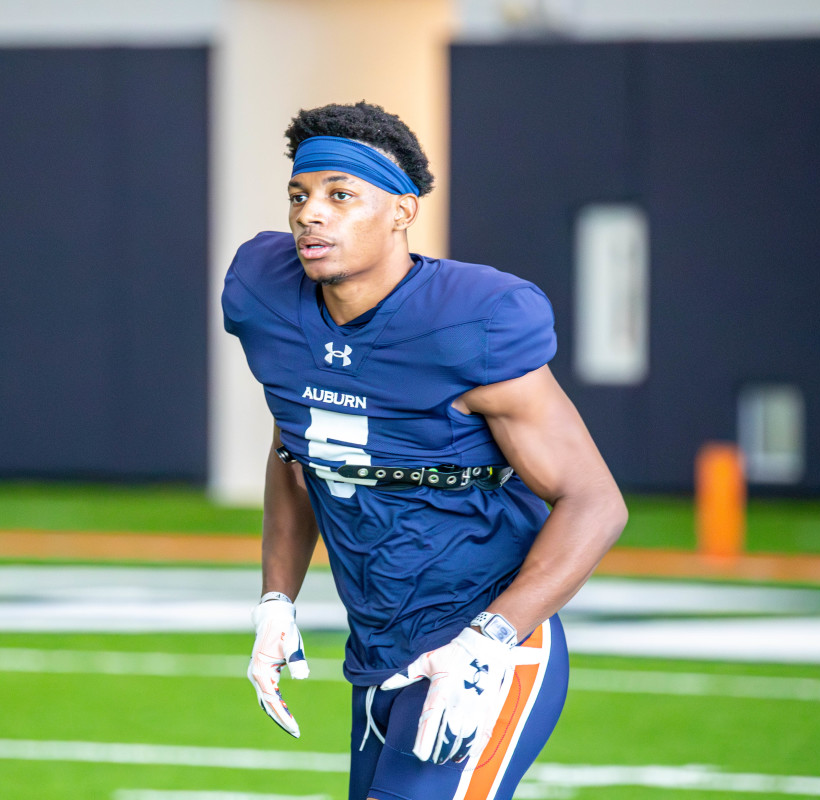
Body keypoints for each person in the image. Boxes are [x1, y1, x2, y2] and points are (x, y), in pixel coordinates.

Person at [223, 101, 627, 800]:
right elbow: (296, 449)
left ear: (402, 211)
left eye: (340, 195)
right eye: (300, 195)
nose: (310, 214)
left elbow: (595, 501)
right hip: (377, 648)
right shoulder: (267, 297)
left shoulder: (472, 320)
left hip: (482, 643)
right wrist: (276, 600)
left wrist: (486, 642)